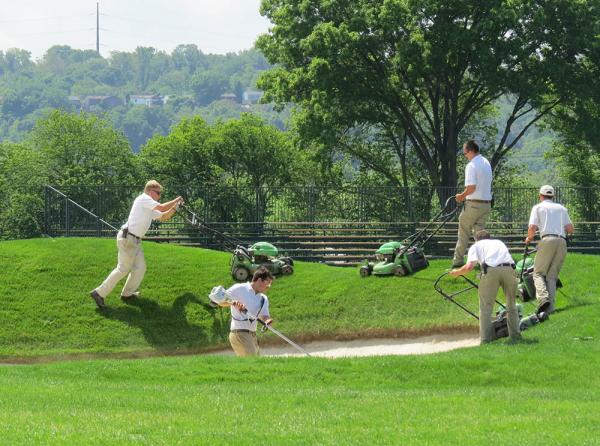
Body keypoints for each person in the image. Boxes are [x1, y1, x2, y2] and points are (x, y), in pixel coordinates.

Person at [90, 180, 183, 309]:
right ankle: (98, 293)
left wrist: (176, 207)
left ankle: (127, 294)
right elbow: (162, 207)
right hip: (129, 239)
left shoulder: (149, 205)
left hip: (135, 240)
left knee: (140, 268)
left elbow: (164, 216)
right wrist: (176, 200)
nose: (159, 196)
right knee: (123, 269)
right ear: (150, 191)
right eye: (158, 193)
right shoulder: (143, 199)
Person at [450, 230, 521, 344]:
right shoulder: (498, 242)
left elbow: (469, 267)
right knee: (511, 305)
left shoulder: (476, 246)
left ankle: (485, 340)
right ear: (489, 237)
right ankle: (516, 336)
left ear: (476, 239)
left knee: (486, 308)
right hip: (510, 269)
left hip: (491, 270)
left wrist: (456, 272)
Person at [525, 185, 574, 314]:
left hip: (547, 239)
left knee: (538, 273)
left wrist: (529, 239)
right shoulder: (562, 208)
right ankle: (550, 309)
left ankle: (542, 299)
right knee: (552, 276)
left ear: (540, 196)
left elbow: (532, 227)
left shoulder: (538, 207)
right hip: (562, 241)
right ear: (552, 196)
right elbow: (570, 229)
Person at [452, 140, 493, 268]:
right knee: (480, 234)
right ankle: (483, 261)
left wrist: (461, 196)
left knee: (464, 232)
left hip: (473, 204)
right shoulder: (486, 162)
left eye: (465, 153)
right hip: (486, 204)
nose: (465, 156)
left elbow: (471, 188)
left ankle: (458, 261)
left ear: (470, 151)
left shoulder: (472, 165)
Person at [221, 267, 274, 357]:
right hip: (239, 333)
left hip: (252, 335)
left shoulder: (263, 299)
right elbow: (221, 301)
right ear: (260, 280)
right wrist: (233, 303)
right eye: (268, 284)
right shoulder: (239, 288)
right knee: (253, 362)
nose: (268, 287)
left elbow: (264, 316)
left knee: (256, 364)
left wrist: (267, 320)